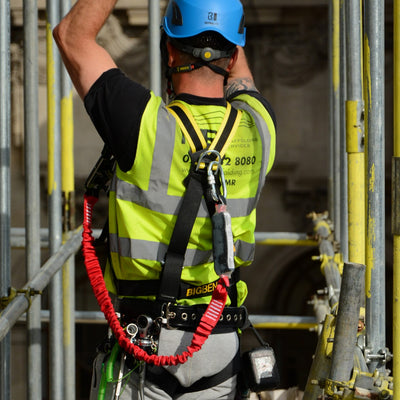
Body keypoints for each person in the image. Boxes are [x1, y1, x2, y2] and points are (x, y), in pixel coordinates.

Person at [54, 0, 276, 399]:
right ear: (234, 54)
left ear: (170, 51)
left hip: (147, 340)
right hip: (219, 338)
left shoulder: (141, 122)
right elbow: (243, 79)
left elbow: (71, 35)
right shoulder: (261, 127)